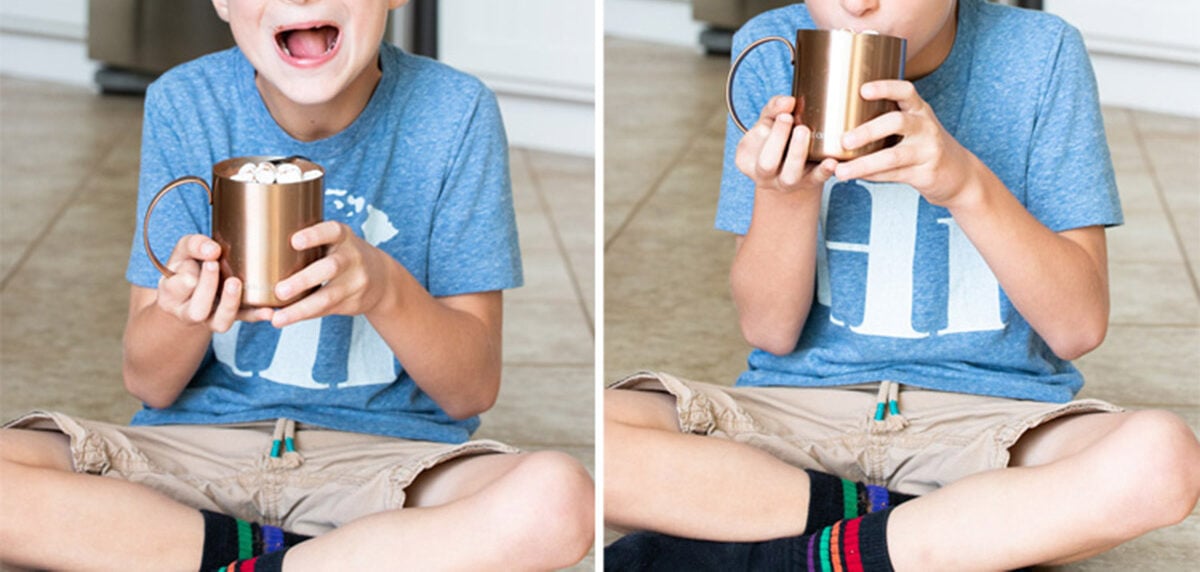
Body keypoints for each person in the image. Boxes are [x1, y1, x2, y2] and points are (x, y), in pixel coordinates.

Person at [604, 0, 1199, 570]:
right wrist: (787, 194)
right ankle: (926, 534)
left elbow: (1078, 327)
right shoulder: (772, 47)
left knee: (1162, 459)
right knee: (598, 440)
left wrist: (964, 183)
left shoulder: (1041, 53)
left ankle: (790, 550)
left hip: (991, 423)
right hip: (795, 414)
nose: (856, 5)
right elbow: (769, 330)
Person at [0, 0, 593, 570]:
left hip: (387, 466)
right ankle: (312, 558)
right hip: (192, 455)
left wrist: (386, 289)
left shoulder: (455, 111)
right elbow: (149, 383)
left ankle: (217, 557)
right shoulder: (187, 101)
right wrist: (185, 312)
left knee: (559, 500)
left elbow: (471, 390)